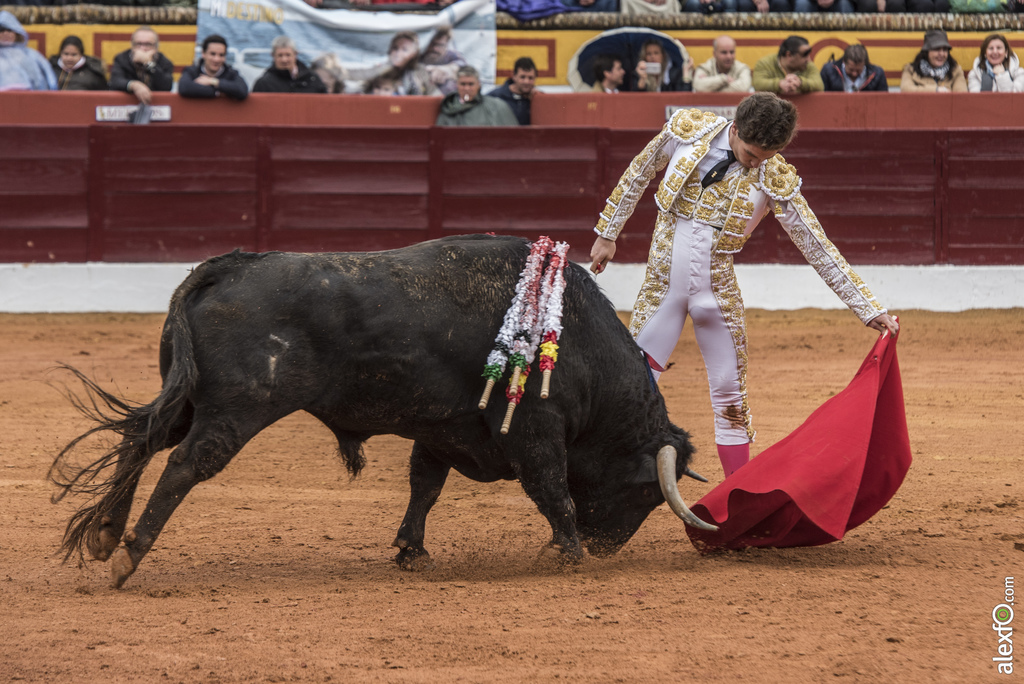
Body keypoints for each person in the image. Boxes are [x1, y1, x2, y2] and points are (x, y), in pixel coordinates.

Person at [588, 93, 898, 478]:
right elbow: (638, 173)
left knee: (731, 399)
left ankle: (737, 494)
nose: (756, 164)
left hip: (716, 295)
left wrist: (868, 307)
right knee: (633, 387)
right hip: (661, 289)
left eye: (766, 157)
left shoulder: (773, 175)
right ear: (734, 130)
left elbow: (816, 245)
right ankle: (611, 480)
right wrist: (608, 233)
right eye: (751, 154)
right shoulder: (687, 130)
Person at [108, 26, 174, 105]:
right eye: (138, 44)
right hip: (126, 106)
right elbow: (115, 82)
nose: (142, 48)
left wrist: (149, 63)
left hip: (155, 107)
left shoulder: (164, 62)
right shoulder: (121, 59)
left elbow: (166, 86)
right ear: (132, 45)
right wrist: (134, 85)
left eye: (148, 44)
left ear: (156, 47)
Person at [435, 65, 519, 127]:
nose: (467, 88)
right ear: (457, 85)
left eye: (471, 84)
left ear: (478, 85)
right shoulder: (448, 109)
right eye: (463, 84)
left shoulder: (497, 106)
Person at [178, 34, 248, 100]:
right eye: (212, 54)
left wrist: (213, 82)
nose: (216, 59)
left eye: (221, 55)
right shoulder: (192, 71)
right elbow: (184, 87)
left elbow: (242, 90)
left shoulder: (231, 73)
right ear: (203, 53)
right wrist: (216, 92)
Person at [0, 11, 56, 91]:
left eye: (9, 30)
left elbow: (48, 80)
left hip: (28, 98)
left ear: (16, 32)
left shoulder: (31, 55)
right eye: (1, 30)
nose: (5, 33)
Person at [252, 36, 327, 94]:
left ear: (295, 54)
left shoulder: (312, 79)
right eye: (280, 55)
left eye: (288, 55)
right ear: (273, 56)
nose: (284, 60)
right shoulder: (264, 83)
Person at [900, 30, 967, 93]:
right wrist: (936, 90)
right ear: (926, 52)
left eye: (945, 50)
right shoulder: (910, 70)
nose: (941, 54)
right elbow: (906, 89)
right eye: (937, 49)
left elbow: (961, 95)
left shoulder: (955, 71)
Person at [752, 35, 824, 95]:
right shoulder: (765, 63)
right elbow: (758, 84)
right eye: (804, 55)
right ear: (789, 55)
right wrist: (779, 84)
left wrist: (800, 82)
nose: (809, 60)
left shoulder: (809, 65)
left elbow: (820, 86)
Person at [488, 57, 537, 126]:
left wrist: (536, 99)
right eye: (522, 77)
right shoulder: (494, 97)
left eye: (530, 78)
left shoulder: (537, 99)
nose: (526, 81)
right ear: (514, 76)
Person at [820, 44, 888, 92]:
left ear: (865, 63)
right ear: (844, 62)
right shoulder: (828, 71)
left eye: (858, 70)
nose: (854, 74)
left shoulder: (877, 74)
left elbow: (883, 101)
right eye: (851, 70)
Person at [421, 27, 467, 96]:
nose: (435, 49)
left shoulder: (451, 55)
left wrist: (446, 70)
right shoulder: (418, 55)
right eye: (432, 44)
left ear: (446, 45)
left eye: (440, 45)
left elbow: (462, 66)